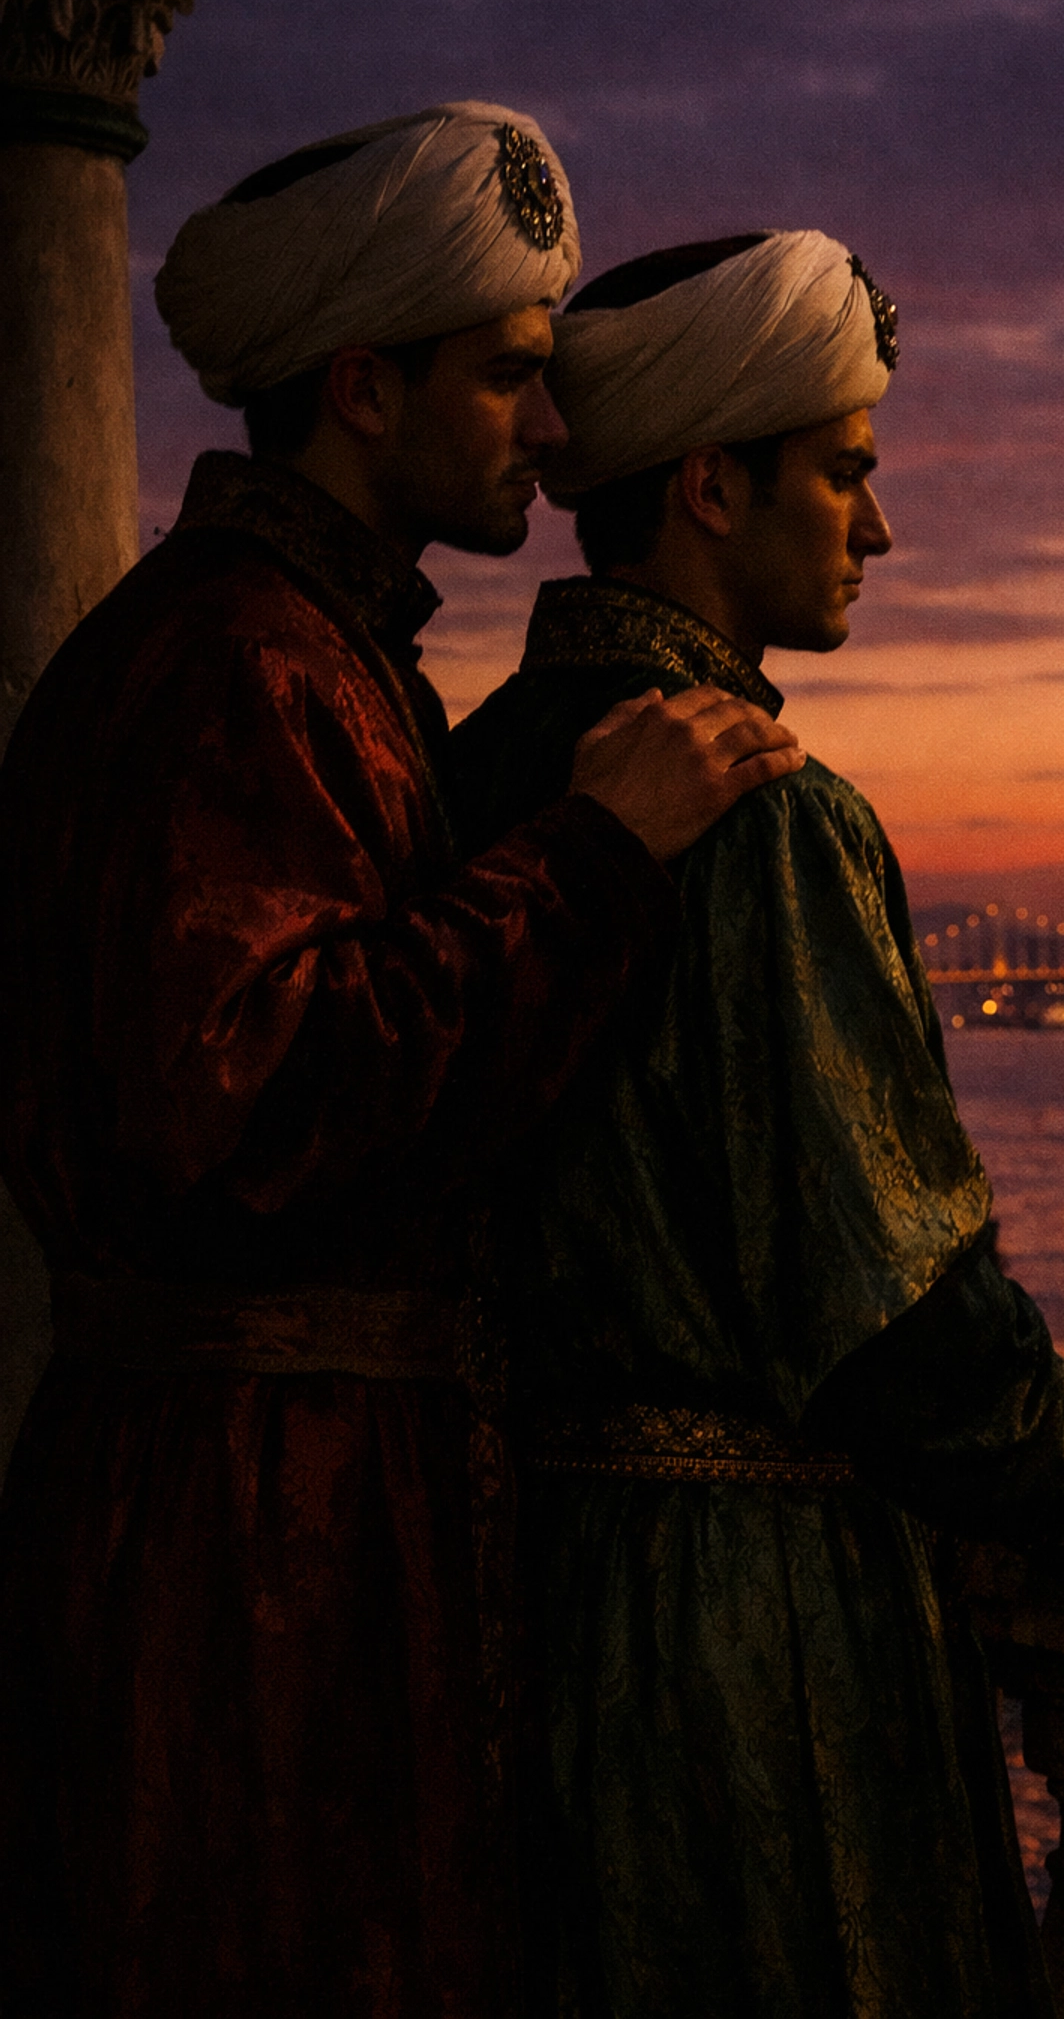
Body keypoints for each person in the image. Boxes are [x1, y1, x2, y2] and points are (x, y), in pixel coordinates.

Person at [0, 111, 802, 2019]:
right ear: (365, 386)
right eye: (512, 377)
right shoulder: (241, 667)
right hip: (257, 1564)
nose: (549, 428)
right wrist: (596, 853)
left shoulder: (282, 648)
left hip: (270, 1525)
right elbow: (259, 1103)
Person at [451, 230, 1064, 2019]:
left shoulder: (475, 765)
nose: (879, 533)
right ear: (712, 484)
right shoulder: (767, 809)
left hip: (524, 1603)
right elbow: (898, 1304)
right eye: (848, 475)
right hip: (758, 1632)